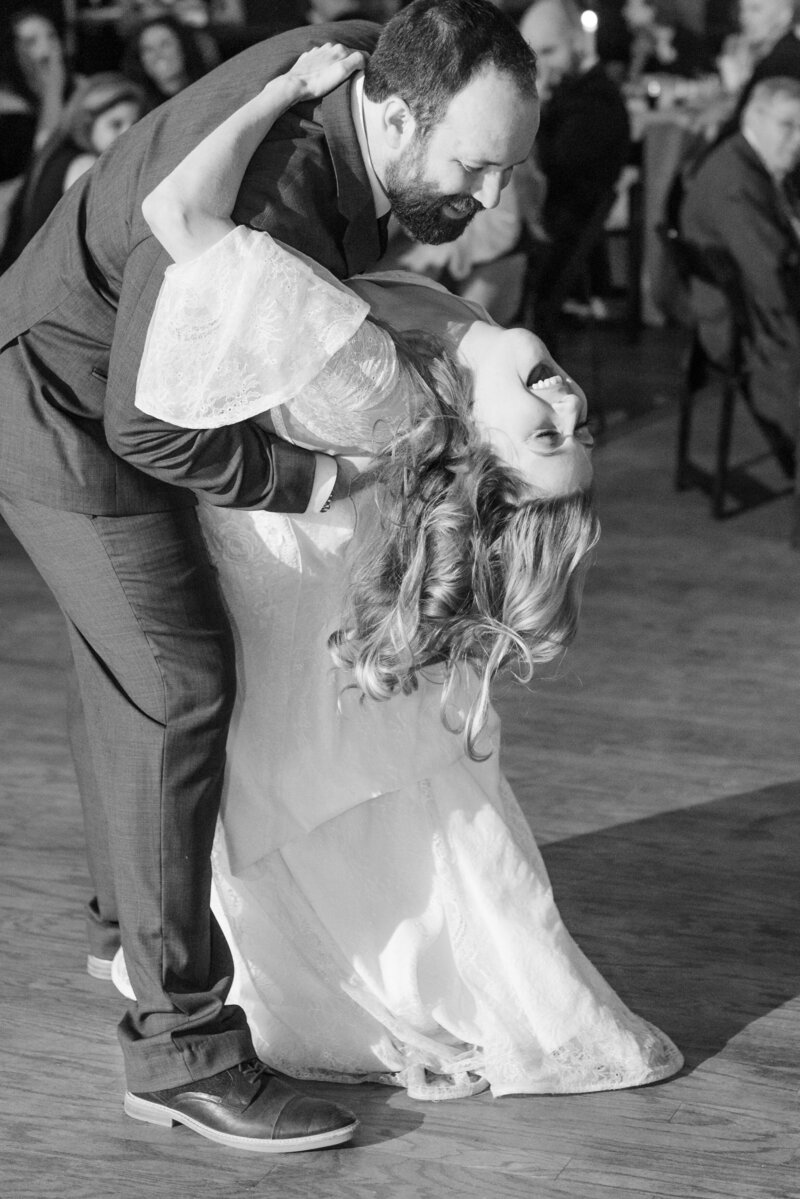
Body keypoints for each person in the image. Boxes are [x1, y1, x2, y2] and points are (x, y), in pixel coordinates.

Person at [0, 0, 542, 1154]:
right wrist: (310, 480)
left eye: (508, 166)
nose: (490, 198)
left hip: (99, 377)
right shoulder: (277, 184)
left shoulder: (357, 68)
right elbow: (146, 424)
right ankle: (180, 1046)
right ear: (389, 112)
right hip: (60, 405)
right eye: (473, 164)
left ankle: (132, 925)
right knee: (178, 680)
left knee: (133, 666)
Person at [112, 41, 685, 1105]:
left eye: (546, 433)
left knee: (318, 771)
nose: (563, 401)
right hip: (289, 551)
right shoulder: (454, 344)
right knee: (352, 783)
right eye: (578, 417)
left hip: (264, 542)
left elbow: (180, 217)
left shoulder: (380, 385)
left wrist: (279, 90)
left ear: (482, 449)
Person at [680, 74, 800, 450]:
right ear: (754, 117)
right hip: (750, 333)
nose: (798, 140)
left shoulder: (748, 161)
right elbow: (776, 286)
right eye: (788, 125)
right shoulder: (736, 182)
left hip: (757, 318)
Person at [519, 0, 631, 313]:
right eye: (533, 55)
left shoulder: (596, 102)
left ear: (577, 42)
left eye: (549, 51)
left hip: (557, 236)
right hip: (553, 228)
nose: (540, 65)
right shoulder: (574, 94)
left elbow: (550, 164)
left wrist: (534, 110)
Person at [0, 73, 148, 271]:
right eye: (115, 124)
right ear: (87, 123)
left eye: (135, 124)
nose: (128, 134)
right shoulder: (84, 165)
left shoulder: (54, 153)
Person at [121, 14, 215, 108]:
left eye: (165, 44)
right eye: (148, 49)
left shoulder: (214, 88)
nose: (157, 54)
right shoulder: (140, 111)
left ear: (184, 47)